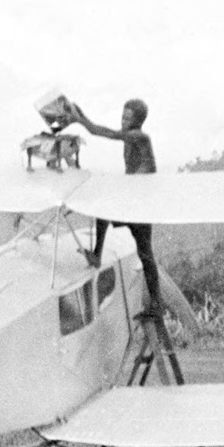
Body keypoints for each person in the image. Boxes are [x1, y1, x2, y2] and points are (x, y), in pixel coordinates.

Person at [69, 98, 164, 311]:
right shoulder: (131, 138)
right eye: (122, 116)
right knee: (144, 252)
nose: (123, 121)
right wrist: (80, 115)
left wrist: (80, 120)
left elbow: (102, 132)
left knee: (146, 253)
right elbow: (97, 129)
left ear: (138, 121)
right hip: (135, 201)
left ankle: (157, 303)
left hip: (141, 204)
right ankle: (96, 255)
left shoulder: (138, 137)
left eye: (127, 118)